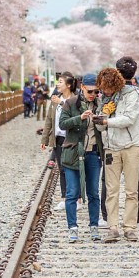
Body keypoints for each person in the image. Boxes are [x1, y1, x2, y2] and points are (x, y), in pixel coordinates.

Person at [100, 57, 139, 226]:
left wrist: (106, 120)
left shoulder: (108, 95)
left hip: (115, 140)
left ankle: (107, 216)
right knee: (135, 182)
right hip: (136, 140)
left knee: (108, 184)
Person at [95, 66, 139, 243]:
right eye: (102, 88)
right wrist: (103, 115)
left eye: (106, 87)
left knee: (131, 190)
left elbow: (130, 119)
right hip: (111, 147)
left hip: (131, 145)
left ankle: (130, 227)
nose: (104, 91)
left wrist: (107, 120)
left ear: (114, 84)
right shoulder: (103, 99)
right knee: (111, 190)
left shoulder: (131, 94)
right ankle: (112, 227)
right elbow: (100, 126)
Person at [59, 73, 104, 242]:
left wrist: (102, 121)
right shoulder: (71, 103)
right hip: (73, 152)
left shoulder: (100, 104)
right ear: (83, 88)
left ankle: (94, 227)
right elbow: (62, 124)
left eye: (96, 92)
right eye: (90, 91)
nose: (93, 95)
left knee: (93, 192)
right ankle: (73, 228)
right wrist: (80, 118)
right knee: (72, 192)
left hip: (93, 153)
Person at [42, 72, 76, 210]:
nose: (58, 84)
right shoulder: (55, 99)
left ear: (68, 85)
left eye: (61, 82)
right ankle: (64, 198)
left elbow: (76, 113)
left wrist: (61, 103)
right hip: (58, 137)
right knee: (62, 168)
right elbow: (49, 120)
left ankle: (76, 199)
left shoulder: (76, 99)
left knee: (72, 168)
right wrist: (45, 138)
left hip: (72, 138)